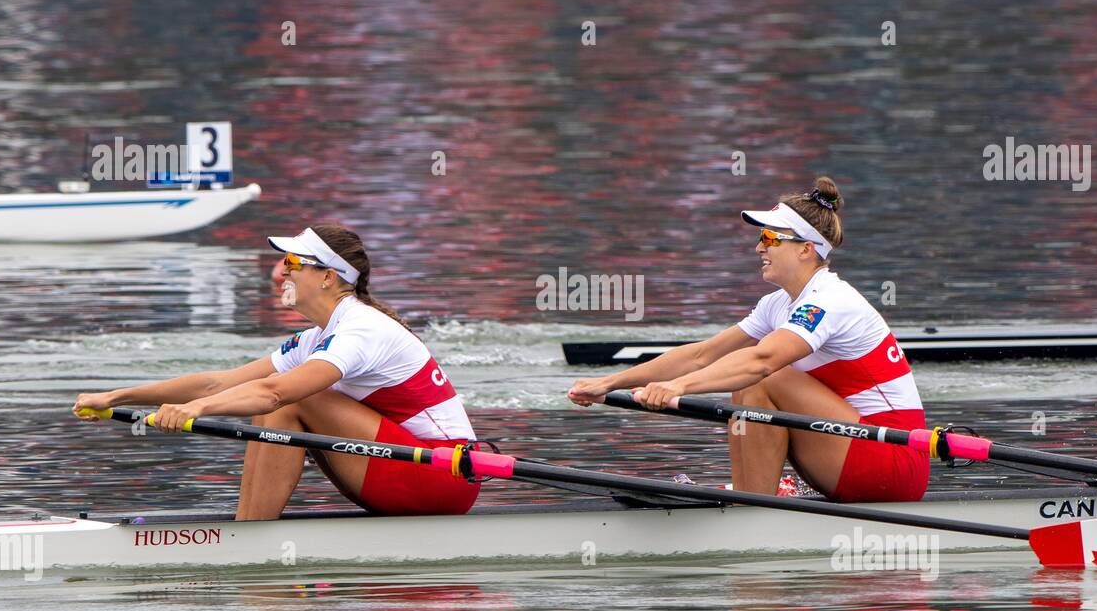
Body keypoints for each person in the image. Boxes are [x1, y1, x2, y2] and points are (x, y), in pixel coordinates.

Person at [74, 224, 480, 520]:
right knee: (274, 397)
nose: (282, 272)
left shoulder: (363, 329)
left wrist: (197, 409)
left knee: (291, 399)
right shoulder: (316, 338)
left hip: (444, 475)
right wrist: (116, 397)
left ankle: (249, 535)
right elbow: (221, 381)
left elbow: (274, 394)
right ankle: (248, 528)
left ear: (327, 277)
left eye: (292, 262)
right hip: (401, 468)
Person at [568, 177, 928, 502]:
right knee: (747, 381)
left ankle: (751, 502)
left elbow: (762, 363)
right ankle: (753, 493)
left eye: (770, 238)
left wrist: (676, 388)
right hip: (849, 450)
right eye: (761, 238)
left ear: (806, 249)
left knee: (763, 376)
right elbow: (702, 355)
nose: (759, 248)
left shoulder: (830, 300)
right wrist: (609, 383)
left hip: (893, 460)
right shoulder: (777, 305)